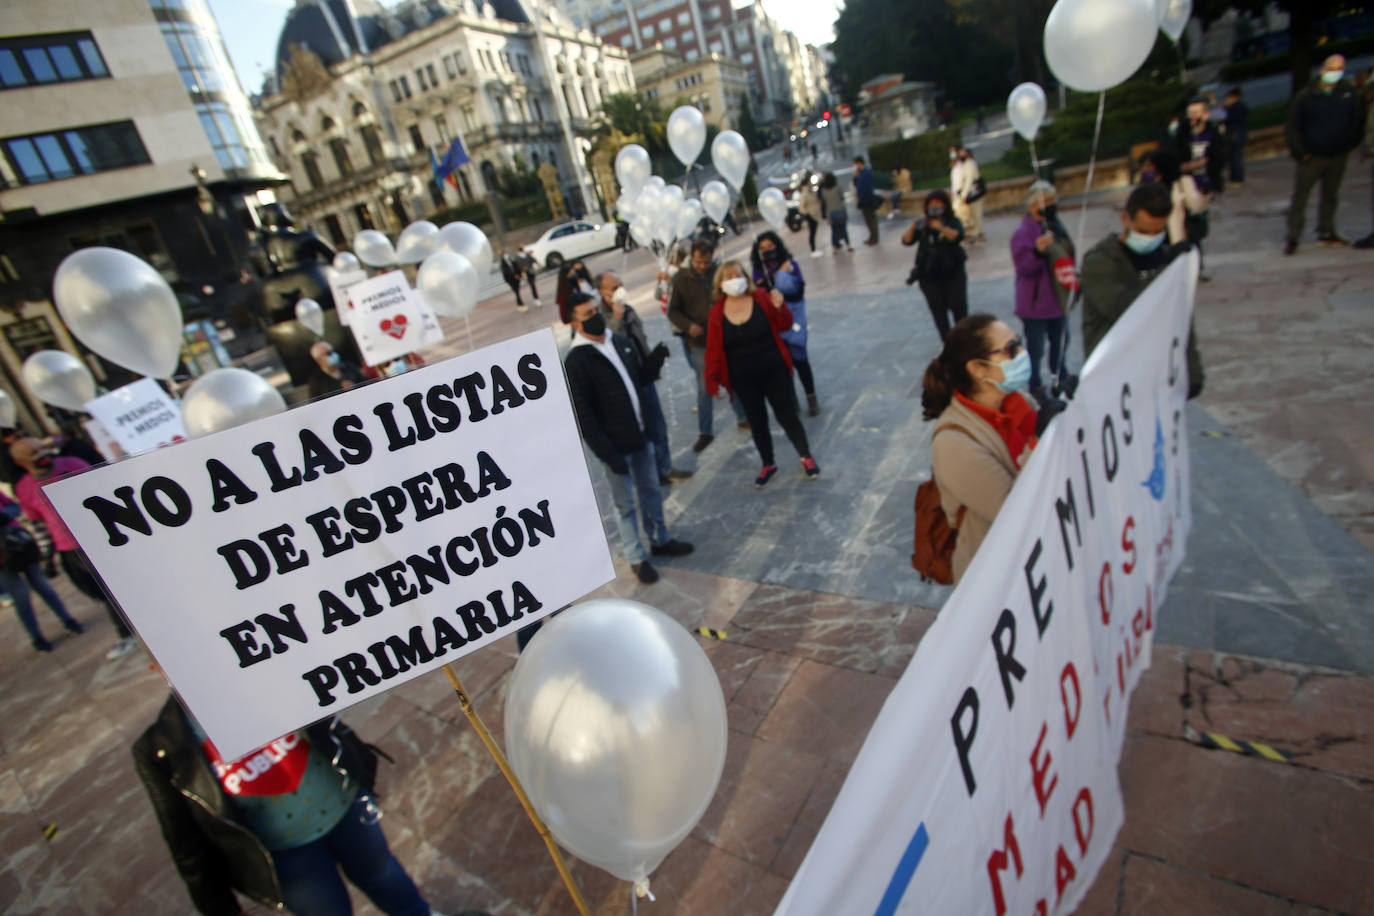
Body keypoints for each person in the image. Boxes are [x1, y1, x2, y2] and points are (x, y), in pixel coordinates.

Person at [134, 692, 444, 916]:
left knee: (385, 875)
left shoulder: (267, 670)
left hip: (346, 806)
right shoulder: (162, 746)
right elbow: (184, 842)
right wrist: (219, 908)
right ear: (154, 664)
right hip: (287, 854)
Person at [564, 297, 694, 584]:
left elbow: (638, 379)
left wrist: (654, 362)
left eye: (596, 310)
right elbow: (584, 415)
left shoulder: (618, 340)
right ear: (575, 323)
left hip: (641, 434)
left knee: (651, 491)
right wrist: (609, 455)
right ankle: (636, 557)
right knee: (624, 505)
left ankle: (660, 539)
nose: (595, 316)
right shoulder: (577, 361)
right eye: (587, 314)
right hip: (615, 446)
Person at [923, 315, 1047, 583]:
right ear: (978, 369)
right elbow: (1013, 511)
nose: (1022, 353)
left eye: (1019, 342)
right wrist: (1038, 440)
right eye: (1010, 349)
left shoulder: (1018, 401)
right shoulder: (953, 444)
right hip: (1001, 576)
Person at [10, 436, 137, 660]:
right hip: (68, 548)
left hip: (99, 538)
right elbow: (39, 525)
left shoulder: (72, 465)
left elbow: (103, 490)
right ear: (21, 462)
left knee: (112, 590)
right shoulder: (24, 488)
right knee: (96, 592)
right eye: (33, 453)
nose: (41, 455)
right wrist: (47, 557)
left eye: (42, 448)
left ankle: (127, 633)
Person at [1081, 183, 1204, 398]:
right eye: (1143, 231)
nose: (1150, 238)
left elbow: (1181, 317)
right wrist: (1168, 271)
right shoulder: (1100, 262)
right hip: (1115, 382)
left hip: (1157, 377)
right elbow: (1128, 308)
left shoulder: (1163, 257)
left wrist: (1192, 372)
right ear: (1125, 220)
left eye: (1158, 231)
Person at [703, 261, 820, 488]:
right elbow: (713, 349)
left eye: (738, 275)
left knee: (787, 415)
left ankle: (806, 455)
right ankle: (768, 464)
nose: (734, 279)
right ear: (720, 284)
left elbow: (785, 324)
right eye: (728, 277)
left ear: (746, 278)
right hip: (743, 379)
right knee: (757, 422)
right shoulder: (716, 313)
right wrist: (712, 379)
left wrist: (780, 307)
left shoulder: (762, 298)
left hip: (774, 370)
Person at [594, 273, 693, 486]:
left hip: (643, 376)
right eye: (614, 287)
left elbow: (640, 339)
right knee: (638, 433)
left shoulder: (629, 310)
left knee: (657, 426)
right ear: (602, 292)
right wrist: (616, 319)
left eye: (621, 285)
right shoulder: (599, 318)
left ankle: (664, 469)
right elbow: (606, 345)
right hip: (623, 385)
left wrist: (651, 361)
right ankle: (647, 477)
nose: (620, 290)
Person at [667, 240, 748, 452]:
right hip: (699, 341)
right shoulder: (681, 278)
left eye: (706, 262)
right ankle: (705, 431)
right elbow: (672, 311)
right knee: (705, 385)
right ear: (692, 258)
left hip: (723, 334)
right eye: (699, 262)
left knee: (733, 376)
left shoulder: (719, 271)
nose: (703, 266)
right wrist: (688, 326)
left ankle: (743, 416)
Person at [1284, 54, 1367, 253]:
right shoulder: (1306, 96)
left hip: (1338, 154)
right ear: (1322, 70)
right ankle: (1293, 236)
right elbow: (1293, 127)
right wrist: (1300, 152)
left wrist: (1349, 143)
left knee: (1331, 195)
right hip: (1312, 156)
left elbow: (1358, 120)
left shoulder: (1348, 93)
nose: (1335, 72)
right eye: (1332, 68)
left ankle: (1326, 231)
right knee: (1301, 196)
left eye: (1339, 68)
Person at [1010, 181, 1077, 407]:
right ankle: (1035, 384)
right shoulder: (1023, 233)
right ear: (1031, 206)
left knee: (1061, 342)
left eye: (1052, 200)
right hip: (1035, 303)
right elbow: (1024, 268)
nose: (1050, 204)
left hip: (1058, 298)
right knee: (1036, 348)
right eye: (1044, 201)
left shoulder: (1056, 227)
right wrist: (1037, 251)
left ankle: (1060, 376)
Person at [0, 490, 84, 653]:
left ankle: (68, 620)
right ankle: (36, 637)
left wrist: (4, 515)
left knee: (42, 585)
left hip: (20, 545)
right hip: (4, 562)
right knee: (21, 596)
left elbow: (14, 507)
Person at [750, 231, 819, 415]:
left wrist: (778, 278)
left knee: (801, 361)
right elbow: (761, 294)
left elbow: (798, 292)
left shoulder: (791, 265)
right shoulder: (759, 270)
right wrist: (775, 280)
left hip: (794, 320)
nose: (767, 251)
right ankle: (792, 400)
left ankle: (811, 397)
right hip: (775, 324)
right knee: (783, 364)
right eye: (762, 248)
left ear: (777, 246)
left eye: (770, 246)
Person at [902, 189, 968, 342]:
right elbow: (906, 241)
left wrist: (941, 228)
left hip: (952, 272)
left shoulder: (952, 221)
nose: (935, 206)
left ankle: (964, 341)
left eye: (938, 203)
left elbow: (957, 237)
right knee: (938, 311)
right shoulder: (924, 224)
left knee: (959, 307)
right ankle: (948, 343)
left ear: (945, 205)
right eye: (931, 204)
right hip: (929, 274)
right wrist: (913, 227)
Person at [1141, 148, 1211, 274]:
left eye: (1151, 166)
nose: (1147, 170)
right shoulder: (1147, 187)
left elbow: (1195, 205)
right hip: (1156, 237)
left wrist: (1204, 196)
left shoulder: (1182, 183)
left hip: (1176, 235)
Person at [1174, 97, 1228, 197]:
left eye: (1195, 113)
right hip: (1187, 186)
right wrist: (1188, 166)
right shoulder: (1181, 136)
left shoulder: (1214, 135)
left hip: (1210, 184)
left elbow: (1220, 158)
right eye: (1189, 113)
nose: (1192, 117)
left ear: (1206, 115)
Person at [952, 147, 985, 244]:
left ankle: (978, 235)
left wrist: (964, 195)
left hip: (972, 193)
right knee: (972, 215)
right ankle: (974, 235)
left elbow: (969, 180)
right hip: (968, 193)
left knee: (976, 214)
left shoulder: (970, 164)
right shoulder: (966, 164)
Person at [819, 172, 852, 253]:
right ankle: (848, 245)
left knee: (834, 231)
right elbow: (842, 197)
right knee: (843, 229)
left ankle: (834, 247)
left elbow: (824, 202)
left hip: (831, 213)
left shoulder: (824, 191)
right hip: (840, 210)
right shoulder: (838, 187)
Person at [1224, 87, 1249, 186]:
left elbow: (1231, 119)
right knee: (1233, 157)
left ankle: (1238, 179)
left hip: (1236, 134)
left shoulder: (1238, 107)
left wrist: (1226, 108)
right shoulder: (1236, 106)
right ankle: (1234, 178)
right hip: (1235, 134)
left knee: (1236, 157)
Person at [555, 259, 594, 325]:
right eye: (571, 274)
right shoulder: (564, 294)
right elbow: (564, 314)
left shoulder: (575, 286)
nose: (574, 275)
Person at [852, 156, 880, 245]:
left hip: (868, 199)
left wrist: (866, 197)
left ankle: (875, 238)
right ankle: (871, 237)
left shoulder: (867, 172)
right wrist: (855, 177)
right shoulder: (860, 173)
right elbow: (857, 185)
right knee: (867, 219)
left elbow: (868, 187)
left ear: (859, 163)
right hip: (863, 200)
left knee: (871, 219)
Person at [796, 174, 824, 257]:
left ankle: (814, 249)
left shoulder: (809, 191)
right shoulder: (805, 192)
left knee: (813, 232)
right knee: (812, 233)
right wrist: (807, 215)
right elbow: (801, 205)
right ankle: (813, 250)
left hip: (813, 214)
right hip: (810, 215)